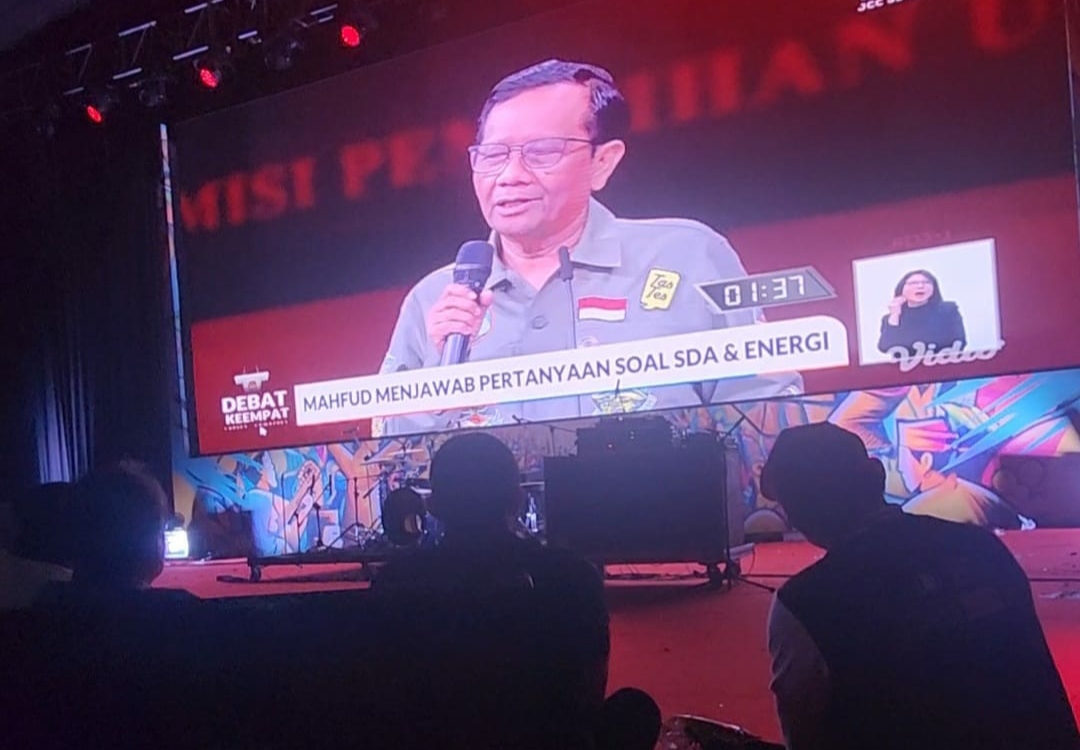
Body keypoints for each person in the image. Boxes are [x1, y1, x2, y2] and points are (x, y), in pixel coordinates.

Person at [377, 59, 801, 436]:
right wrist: (435, 381)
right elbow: (382, 458)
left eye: (542, 152)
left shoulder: (689, 256)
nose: (509, 175)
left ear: (603, 162)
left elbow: (769, 420)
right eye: (492, 155)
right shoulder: (434, 299)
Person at [760, 422, 1079, 750]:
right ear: (877, 476)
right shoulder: (981, 548)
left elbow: (805, 735)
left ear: (798, 510)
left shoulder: (806, 604)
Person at [372, 431, 610, 749]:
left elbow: (387, 695)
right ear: (518, 500)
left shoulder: (395, 581)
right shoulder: (574, 576)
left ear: (433, 505)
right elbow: (587, 694)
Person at [877, 269, 966, 356]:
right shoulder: (891, 318)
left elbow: (959, 342)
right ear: (901, 289)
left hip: (942, 363)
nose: (920, 286)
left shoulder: (948, 310)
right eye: (913, 283)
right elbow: (885, 347)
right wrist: (895, 315)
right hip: (906, 365)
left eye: (926, 282)